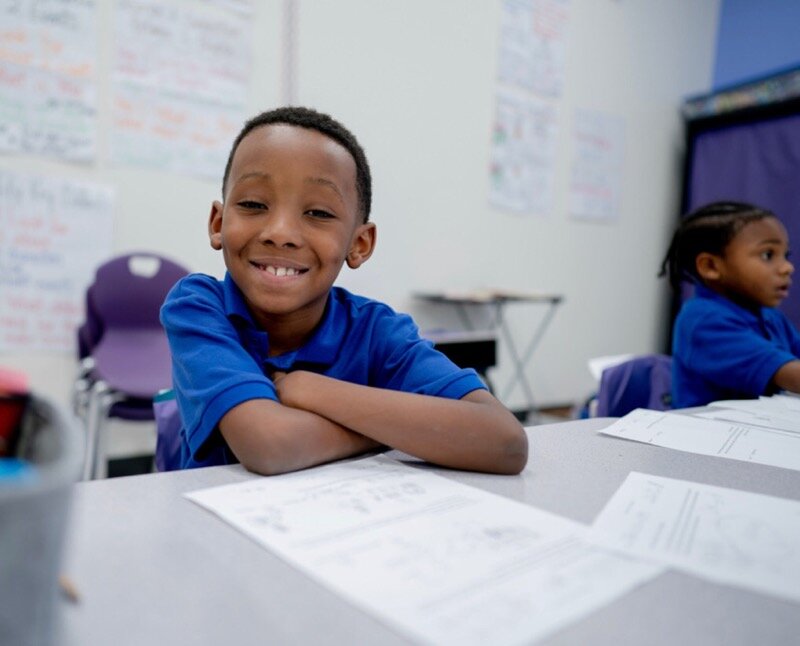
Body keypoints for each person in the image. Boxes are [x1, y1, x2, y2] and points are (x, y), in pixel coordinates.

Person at [160, 106, 528, 475]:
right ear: (219, 223)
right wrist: (398, 430)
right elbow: (270, 444)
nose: (281, 233)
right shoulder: (198, 307)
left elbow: (506, 443)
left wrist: (309, 389)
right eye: (253, 204)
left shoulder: (377, 331)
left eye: (318, 213)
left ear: (360, 244)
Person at [660, 201, 800, 408]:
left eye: (785, 256)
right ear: (711, 266)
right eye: (768, 255)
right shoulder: (703, 320)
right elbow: (789, 374)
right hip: (705, 436)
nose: (788, 267)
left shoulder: (771, 316)